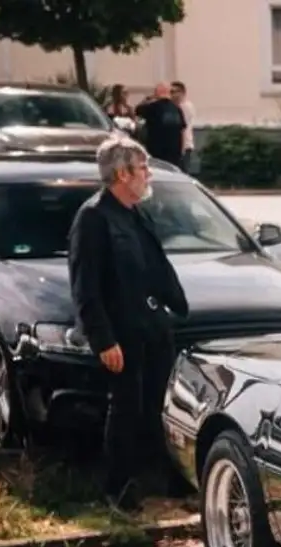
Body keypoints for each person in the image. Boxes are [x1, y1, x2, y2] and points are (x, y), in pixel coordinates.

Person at [68, 137, 188, 510]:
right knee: (126, 410)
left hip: (153, 326)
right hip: (122, 333)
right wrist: (103, 339)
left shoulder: (135, 212)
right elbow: (85, 287)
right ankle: (119, 490)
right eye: (143, 167)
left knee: (160, 406)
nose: (148, 174)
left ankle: (168, 481)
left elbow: (155, 268)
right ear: (122, 173)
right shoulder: (94, 218)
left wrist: (174, 307)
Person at [134, 83, 185, 170]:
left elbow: (137, 110)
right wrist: (182, 149)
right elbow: (182, 130)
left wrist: (148, 99)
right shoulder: (177, 109)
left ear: (157, 92)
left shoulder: (152, 107)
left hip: (157, 151)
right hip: (175, 151)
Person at [170, 81, 197, 175]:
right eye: (171, 92)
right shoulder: (174, 106)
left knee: (182, 172)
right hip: (176, 145)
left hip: (184, 145)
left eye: (176, 91)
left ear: (183, 93)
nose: (173, 95)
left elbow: (181, 125)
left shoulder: (185, 106)